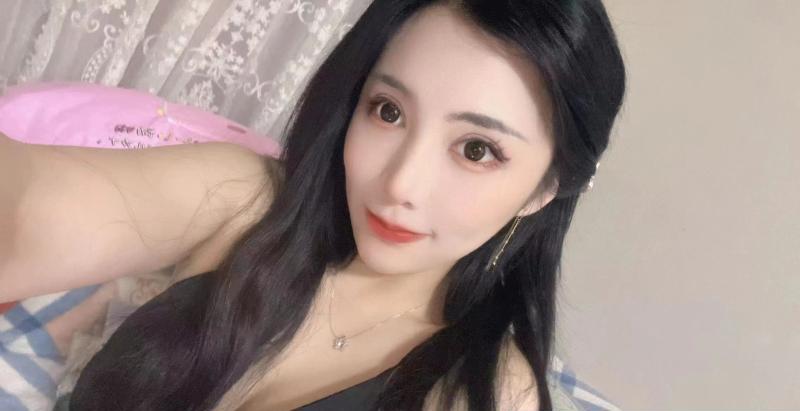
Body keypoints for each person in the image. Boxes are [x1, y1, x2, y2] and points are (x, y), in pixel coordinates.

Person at [0, 0, 626, 409]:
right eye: (388, 111)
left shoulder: (487, 389)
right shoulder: (245, 201)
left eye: (476, 149)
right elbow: (29, 207)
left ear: (545, 188)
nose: (400, 183)